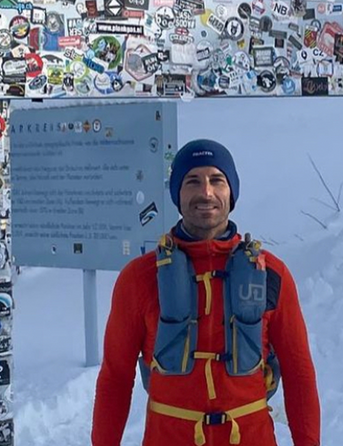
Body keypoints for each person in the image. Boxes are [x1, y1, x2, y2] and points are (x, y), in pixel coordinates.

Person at [92, 139, 321, 446]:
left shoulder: (271, 273)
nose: (206, 192)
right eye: (192, 181)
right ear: (177, 193)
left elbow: (299, 373)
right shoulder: (139, 278)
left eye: (217, 180)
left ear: (231, 192)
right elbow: (115, 378)